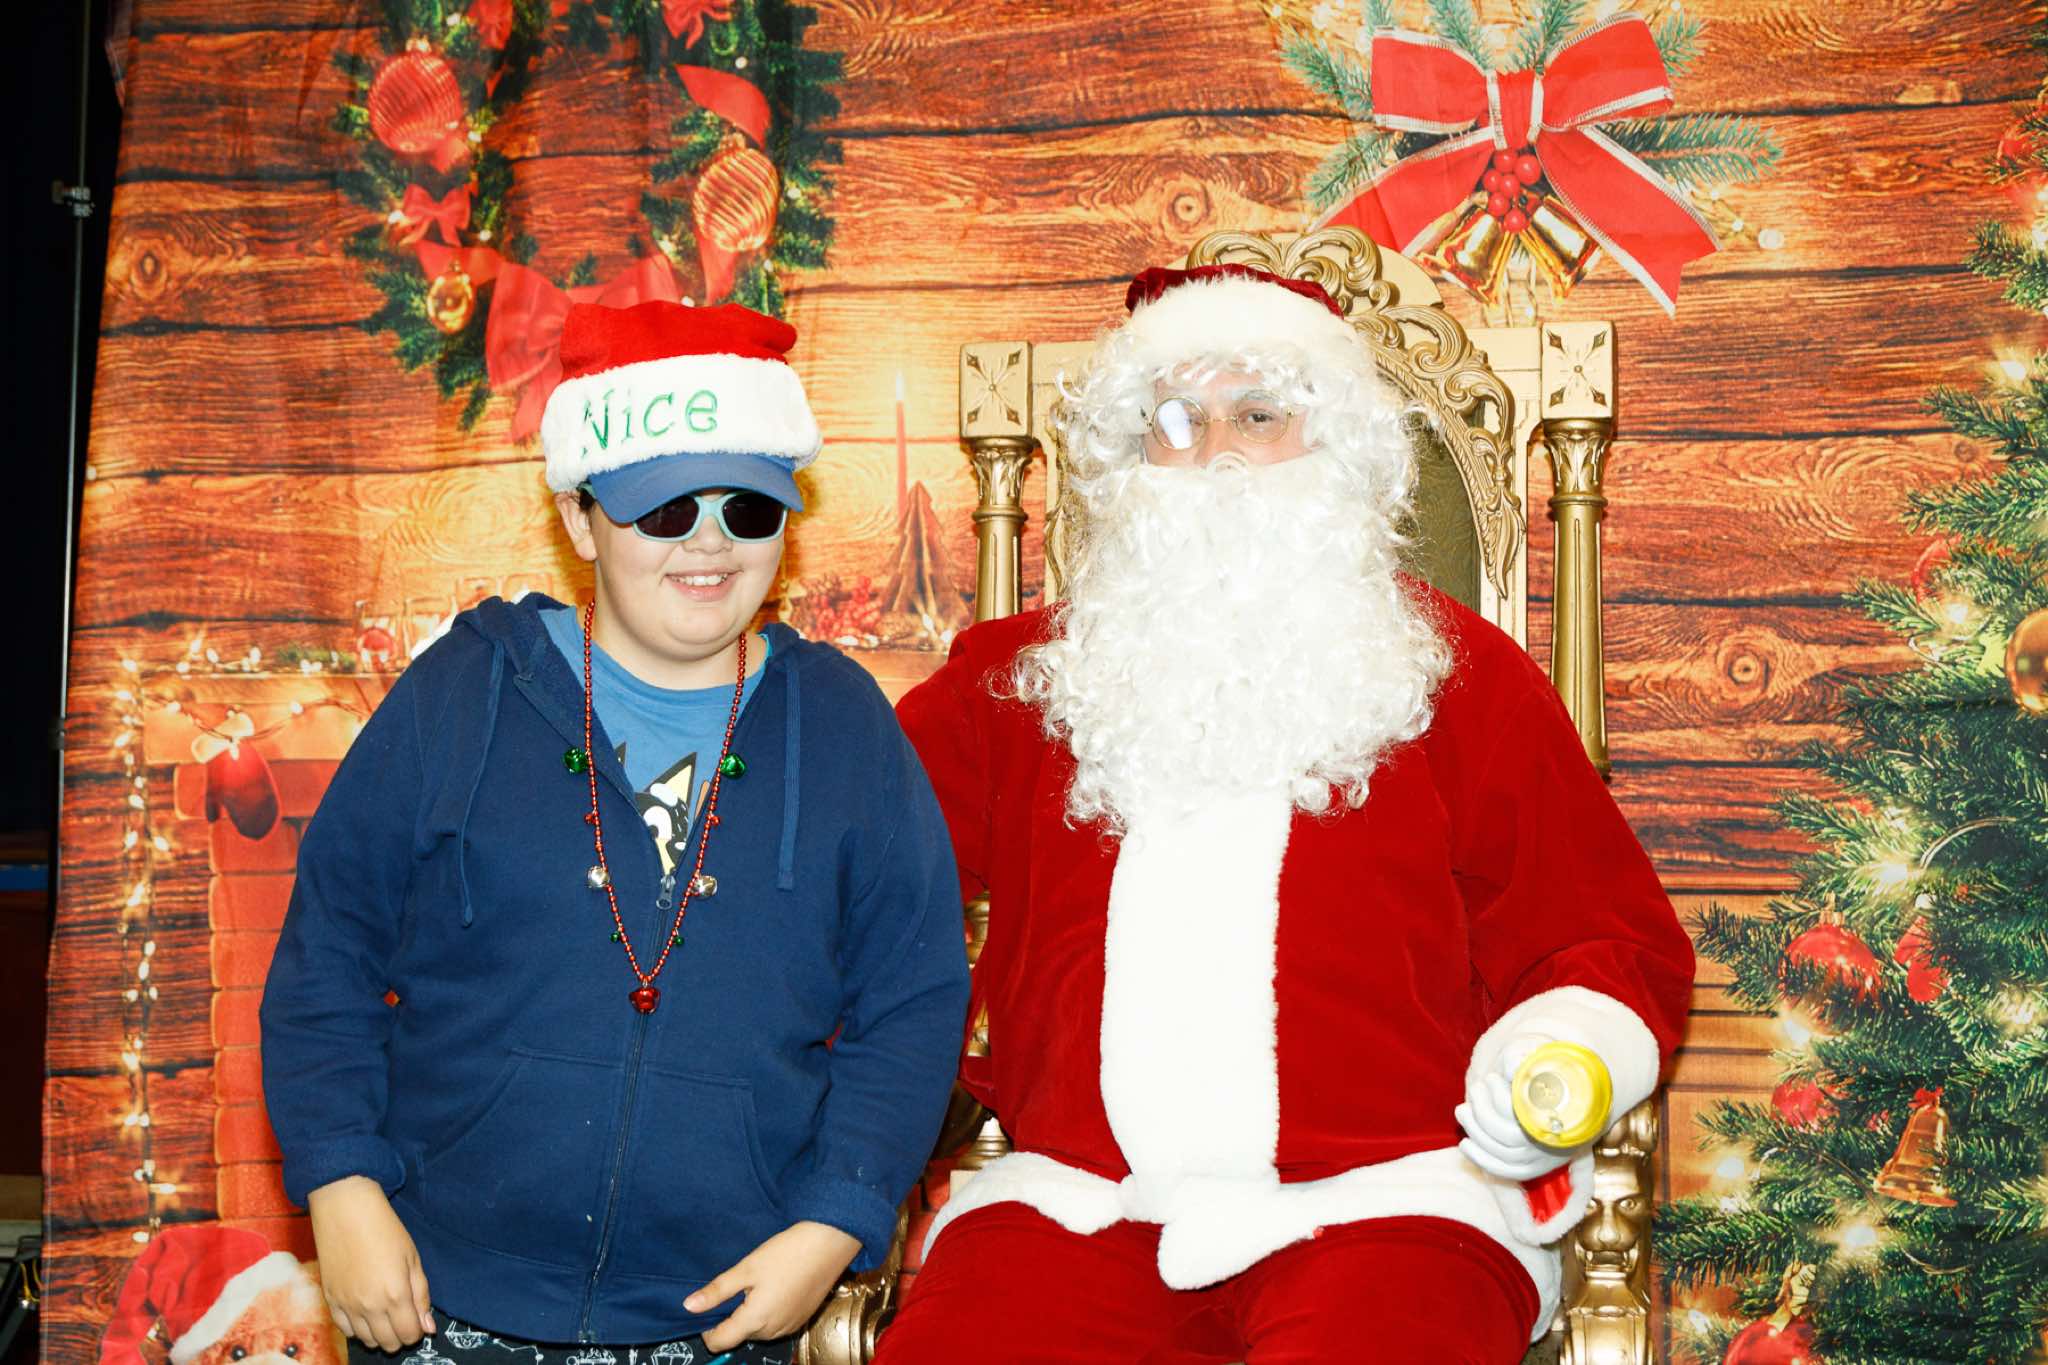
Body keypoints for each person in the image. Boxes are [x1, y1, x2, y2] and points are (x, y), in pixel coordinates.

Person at [877, 264, 1696, 1363]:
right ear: (1131, 455)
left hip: (1391, 1205)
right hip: (1079, 1203)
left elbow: (1598, 935)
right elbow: (858, 865)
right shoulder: (1023, 681)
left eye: (1258, 414)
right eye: (1177, 419)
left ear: (1333, 445)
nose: (1216, 452)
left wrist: (1557, 1060)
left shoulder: (1460, 675)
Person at [261, 300, 970, 1365]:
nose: (710, 542)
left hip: (725, 1312)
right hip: (437, 1299)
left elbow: (911, 1001)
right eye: (665, 508)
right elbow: (330, 950)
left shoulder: (842, 729)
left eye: (749, 509)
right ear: (581, 520)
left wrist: (834, 1223)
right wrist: (341, 1181)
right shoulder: (465, 692)